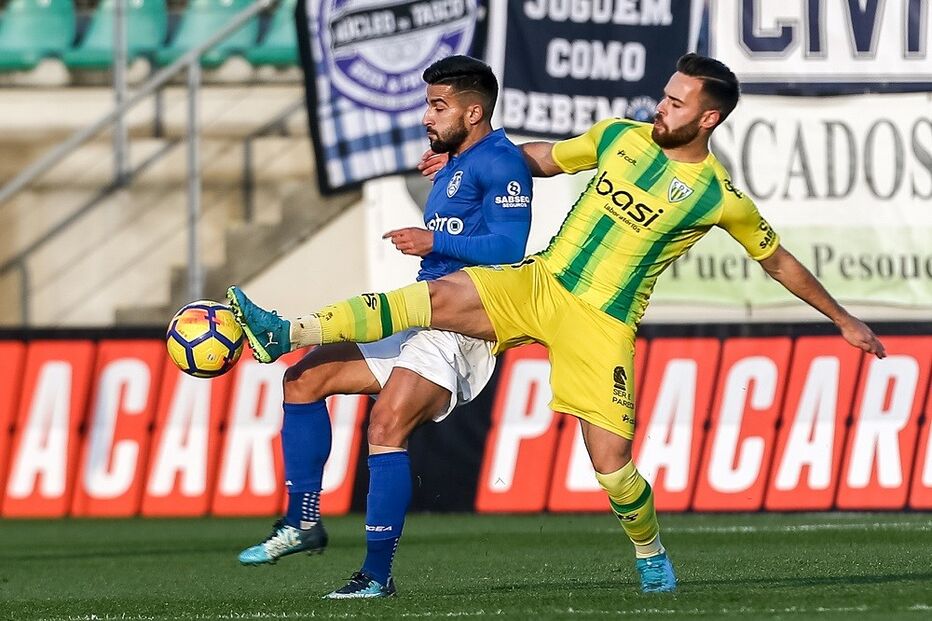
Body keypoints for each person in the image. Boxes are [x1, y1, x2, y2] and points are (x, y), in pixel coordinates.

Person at [228, 53, 886, 594]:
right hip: (541, 282)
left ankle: (650, 552)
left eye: (676, 102)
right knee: (433, 297)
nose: (661, 107)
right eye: (665, 95)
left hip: (601, 322)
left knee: (613, 467)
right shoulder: (622, 136)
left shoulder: (719, 197)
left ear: (708, 117)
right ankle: (286, 331)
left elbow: (778, 260)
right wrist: (464, 162)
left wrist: (843, 318)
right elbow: (540, 159)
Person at [234, 55, 533, 599]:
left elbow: (510, 247)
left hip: (461, 326)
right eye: (427, 104)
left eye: (438, 106)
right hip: (426, 313)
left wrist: (436, 240)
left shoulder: (500, 161)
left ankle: (376, 575)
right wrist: (453, 169)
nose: (426, 116)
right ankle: (302, 522)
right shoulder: (460, 160)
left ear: (473, 112)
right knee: (303, 380)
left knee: (385, 426)